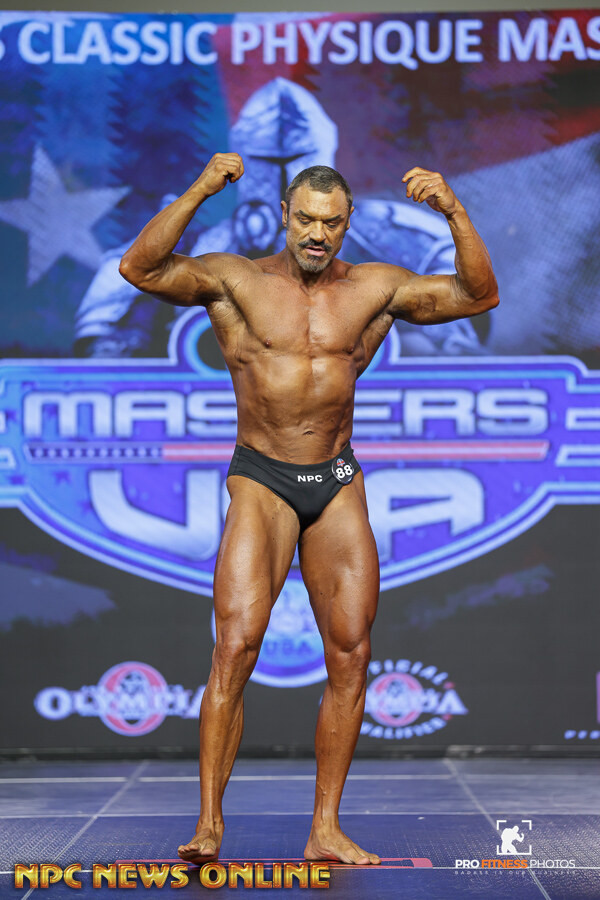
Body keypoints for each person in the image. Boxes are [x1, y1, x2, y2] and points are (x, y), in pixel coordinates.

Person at [119, 153, 498, 866]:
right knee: (235, 647)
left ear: (347, 223)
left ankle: (325, 828)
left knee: (351, 651)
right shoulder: (236, 280)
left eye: (330, 223)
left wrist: (454, 211)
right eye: (305, 220)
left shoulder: (377, 288)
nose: (317, 234)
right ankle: (208, 825)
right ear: (285, 217)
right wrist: (201, 189)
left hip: (336, 477)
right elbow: (140, 268)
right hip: (262, 477)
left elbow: (479, 296)